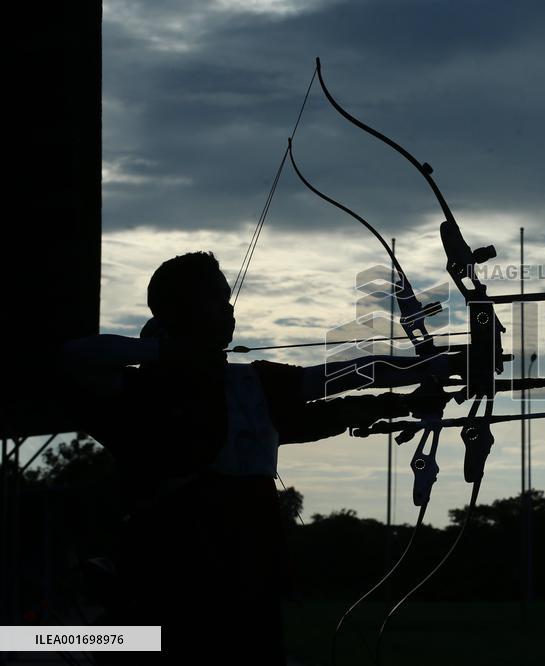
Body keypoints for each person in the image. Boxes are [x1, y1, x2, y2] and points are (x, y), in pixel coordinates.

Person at [62, 251, 449, 664]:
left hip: (251, 580)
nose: (229, 311)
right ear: (181, 311)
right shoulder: (137, 392)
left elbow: (347, 381)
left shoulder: (251, 382)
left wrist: (418, 384)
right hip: (164, 581)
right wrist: (170, 352)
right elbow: (73, 355)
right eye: (216, 300)